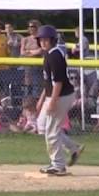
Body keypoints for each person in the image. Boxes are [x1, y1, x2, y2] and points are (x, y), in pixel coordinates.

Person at [35, 25, 83, 175]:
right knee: (42, 125)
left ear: (52, 40)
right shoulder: (50, 54)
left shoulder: (54, 56)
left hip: (60, 96)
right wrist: (42, 99)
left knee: (51, 131)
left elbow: (58, 82)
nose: (43, 42)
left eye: (46, 39)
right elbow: (48, 82)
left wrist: (53, 102)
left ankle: (58, 165)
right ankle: (73, 148)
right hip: (54, 95)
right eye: (41, 39)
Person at [20, 19, 45, 95]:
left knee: (37, 87)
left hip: (37, 67)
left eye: (32, 26)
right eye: (29, 26)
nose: (30, 28)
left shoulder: (41, 38)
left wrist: (29, 51)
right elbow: (22, 52)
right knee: (27, 86)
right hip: (27, 67)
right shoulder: (25, 39)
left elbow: (40, 51)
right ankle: (27, 101)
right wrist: (33, 52)